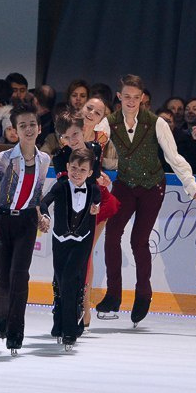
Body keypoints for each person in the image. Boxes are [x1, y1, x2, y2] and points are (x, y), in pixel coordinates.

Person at [93, 75, 196, 325]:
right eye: (127, 96)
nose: (131, 101)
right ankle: (113, 294)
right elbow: (94, 150)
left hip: (152, 186)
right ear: (119, 97)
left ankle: (143, 294)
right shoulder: (108, 123)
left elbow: (175, 159)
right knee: (112, 234)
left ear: (142, 98)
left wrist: (194, 188)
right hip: (125, 184)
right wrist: (94, 173)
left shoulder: (157, 123)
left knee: (139, 240)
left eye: (136, 97)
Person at [0, 103, 50, 354]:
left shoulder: (45, 159)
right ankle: (0, 314)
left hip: (27, 222)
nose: (28, 129)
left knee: (20, 275)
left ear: (39, 128)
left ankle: (16, 333)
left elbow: (37, 193)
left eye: (32, 124)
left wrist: (42, 215)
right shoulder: (4, 158)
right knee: (3, 278)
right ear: (15, 130)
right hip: (3, 221)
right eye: (22, 125)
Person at [52, 111, 119, 331]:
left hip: (96, 205)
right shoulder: (60, 156)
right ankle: (63, 303)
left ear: (83, 130)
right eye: (67, 136)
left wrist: (100, 177)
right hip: (71, 210)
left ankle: (83, 305)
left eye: (75, 134)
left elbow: (95, 174)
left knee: (85, 255)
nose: (72, 140)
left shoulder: (95, 149)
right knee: (69, 258)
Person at [39, 148, 102, 348]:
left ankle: (69, 331)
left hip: (82, 242)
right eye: (74, 168)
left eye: (82, 170)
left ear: (90, 172)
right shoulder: (60, 187)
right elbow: (44, 203)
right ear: (67, 167)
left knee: (69, 279)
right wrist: (45, 216)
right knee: (60, 282)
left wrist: (96, 207)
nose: (77, 173)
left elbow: (97, 203)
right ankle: (59, 322)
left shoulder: (94, 190)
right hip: (60, 241)